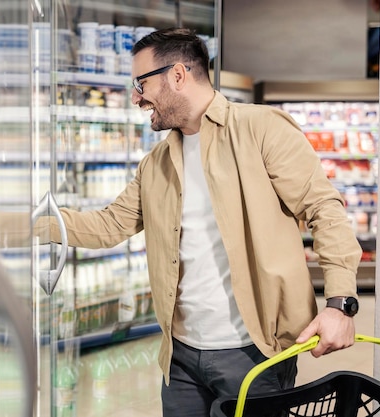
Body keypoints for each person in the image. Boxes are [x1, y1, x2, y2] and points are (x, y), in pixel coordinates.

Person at [34, 27, 361, 416]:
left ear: (177, 76)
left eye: (140, 83)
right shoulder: (156, 164)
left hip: (254, 354)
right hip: (180, 357)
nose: (136, 97)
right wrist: (20, 222)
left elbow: (324, 208)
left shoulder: (261, 129)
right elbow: (108, 225)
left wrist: (340, 304)